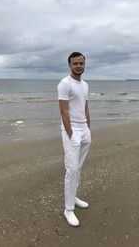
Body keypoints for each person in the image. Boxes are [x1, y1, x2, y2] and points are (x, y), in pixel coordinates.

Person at [57, 52, 91, 227]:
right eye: (75, 63)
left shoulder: (85, 85)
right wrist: (71, 134)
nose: (78, 65)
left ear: (84, 64)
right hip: (72, 133)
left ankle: (73, 197)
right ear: (69, 64)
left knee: (78, 168)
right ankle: (68, 209)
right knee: (71, 170)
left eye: (81, 63)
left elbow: (85, 106)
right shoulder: (65, 84)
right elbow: (63, 111)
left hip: (84, 130)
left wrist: (88, 128)